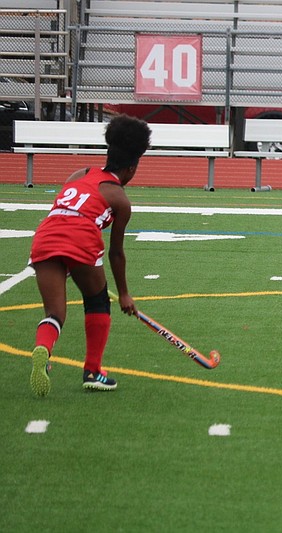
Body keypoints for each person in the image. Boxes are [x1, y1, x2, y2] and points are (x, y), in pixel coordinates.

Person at [28, 114, 151, 396]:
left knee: (55, 312)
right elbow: (116, 253)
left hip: (46, 235)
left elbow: (65, 209)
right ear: (132, 167)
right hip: (81, 238)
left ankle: (43, 348)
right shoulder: (120, 199)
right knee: (97, 300)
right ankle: (93, 371)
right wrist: (123, 294)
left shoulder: (80, 174)